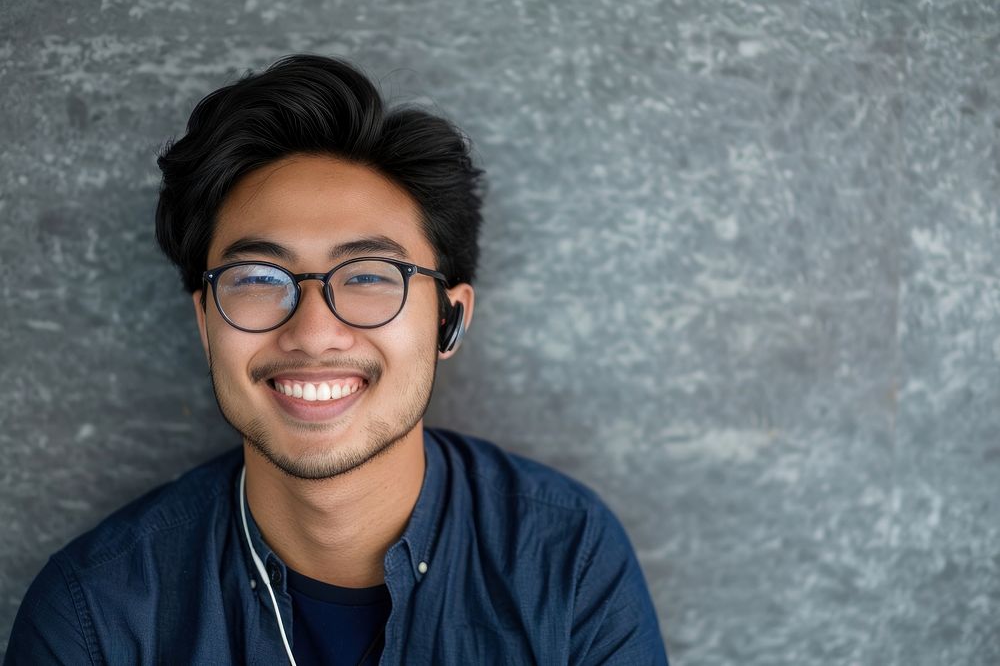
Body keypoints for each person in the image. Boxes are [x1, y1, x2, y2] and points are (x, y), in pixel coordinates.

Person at [4, 54, 668, 665]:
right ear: (206, 324)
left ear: (450, 317)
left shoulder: (568, 560)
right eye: (260, 278)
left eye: (370, 275)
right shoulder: (94, 616)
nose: (314, 332)